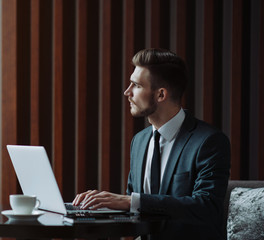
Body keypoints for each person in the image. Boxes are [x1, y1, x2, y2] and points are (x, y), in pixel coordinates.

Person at [72, 48, 231, 240]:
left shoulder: (208, 141)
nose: (127, 92)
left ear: (161, 94)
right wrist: (99, 206)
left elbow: (207, 207)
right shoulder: (139, 141)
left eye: (136, 85)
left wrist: (131, 201)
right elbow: (134, 209)